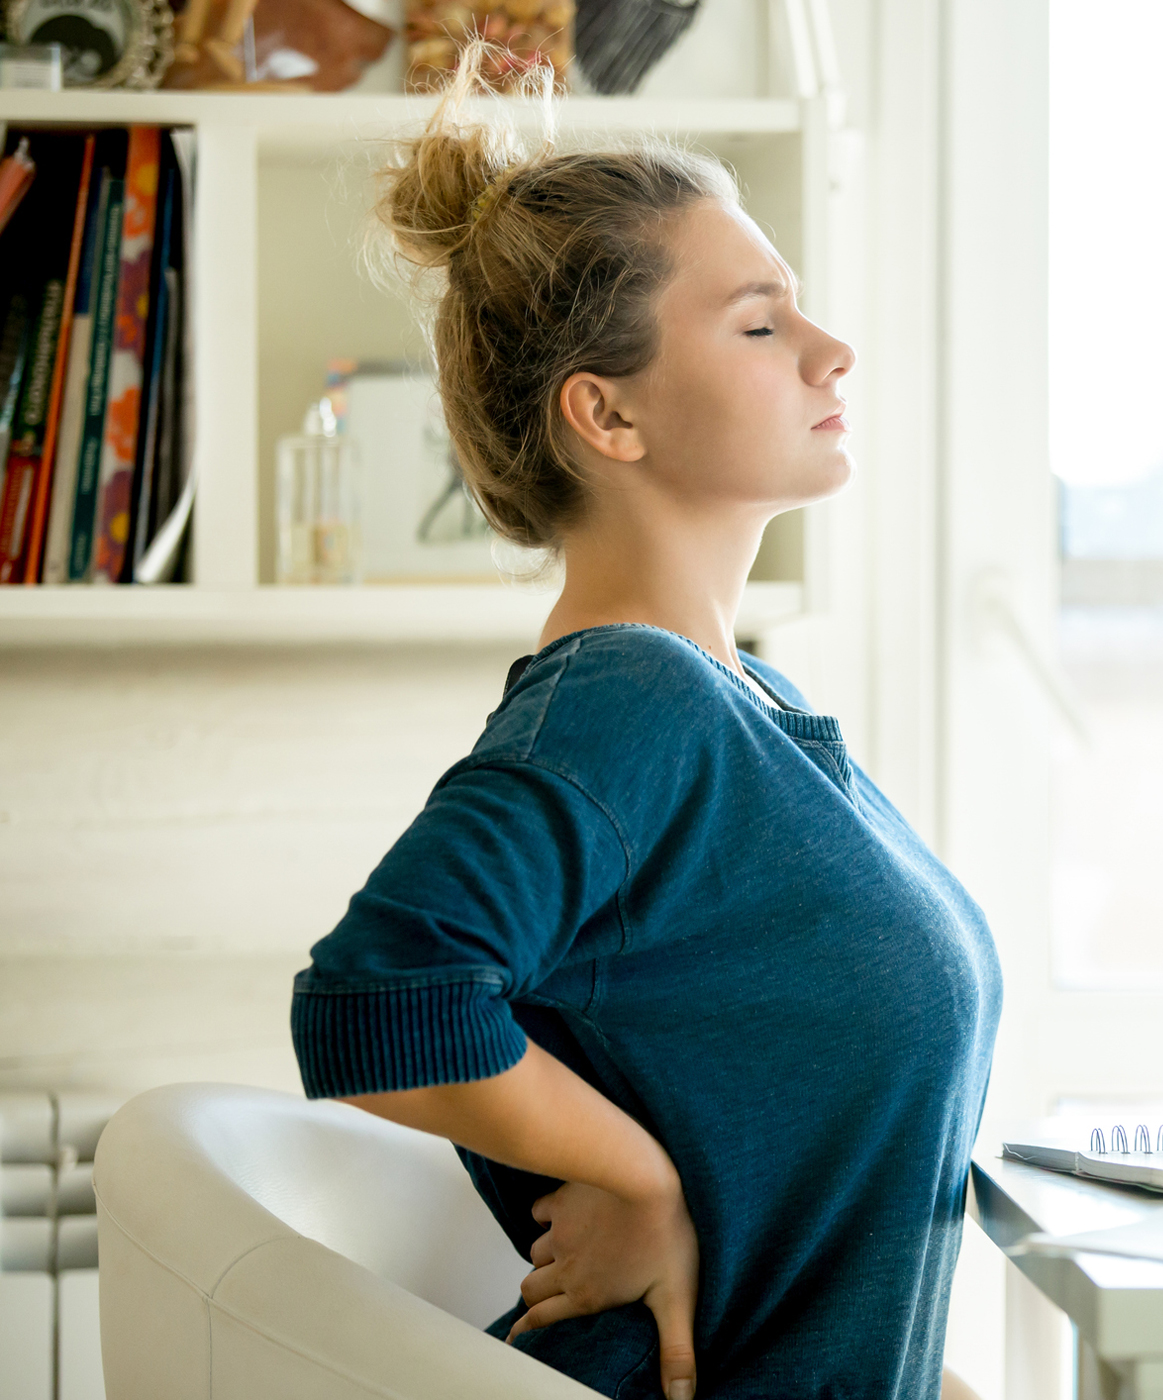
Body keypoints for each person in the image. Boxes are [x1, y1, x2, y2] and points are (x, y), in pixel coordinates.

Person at [289, 49, 1002, 1400]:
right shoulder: (633, 701)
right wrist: (632, 1172)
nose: (830, 349)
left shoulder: (755, 705)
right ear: (606, 413)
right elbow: (376, 1000)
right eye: (757, 324)